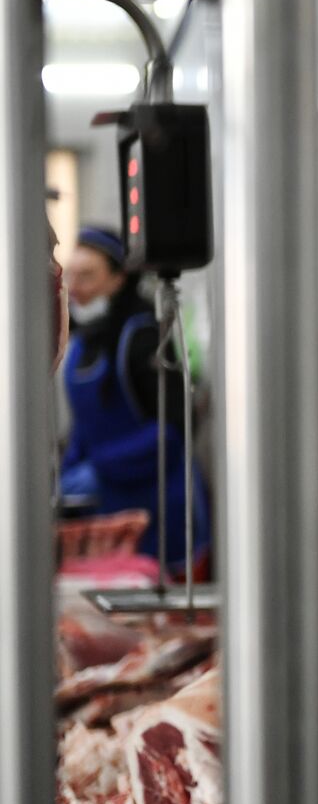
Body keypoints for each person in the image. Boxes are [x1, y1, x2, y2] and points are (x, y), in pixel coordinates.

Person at [60, 225, 211, 572]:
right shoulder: (82, 341)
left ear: (118, 278)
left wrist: (100, 469)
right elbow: (86, 424)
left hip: (159, 509)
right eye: (72, 275)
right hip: (107, 511)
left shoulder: (143, 336)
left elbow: (174, 429)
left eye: (87, 277)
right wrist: (68, 474)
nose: (76, 289)